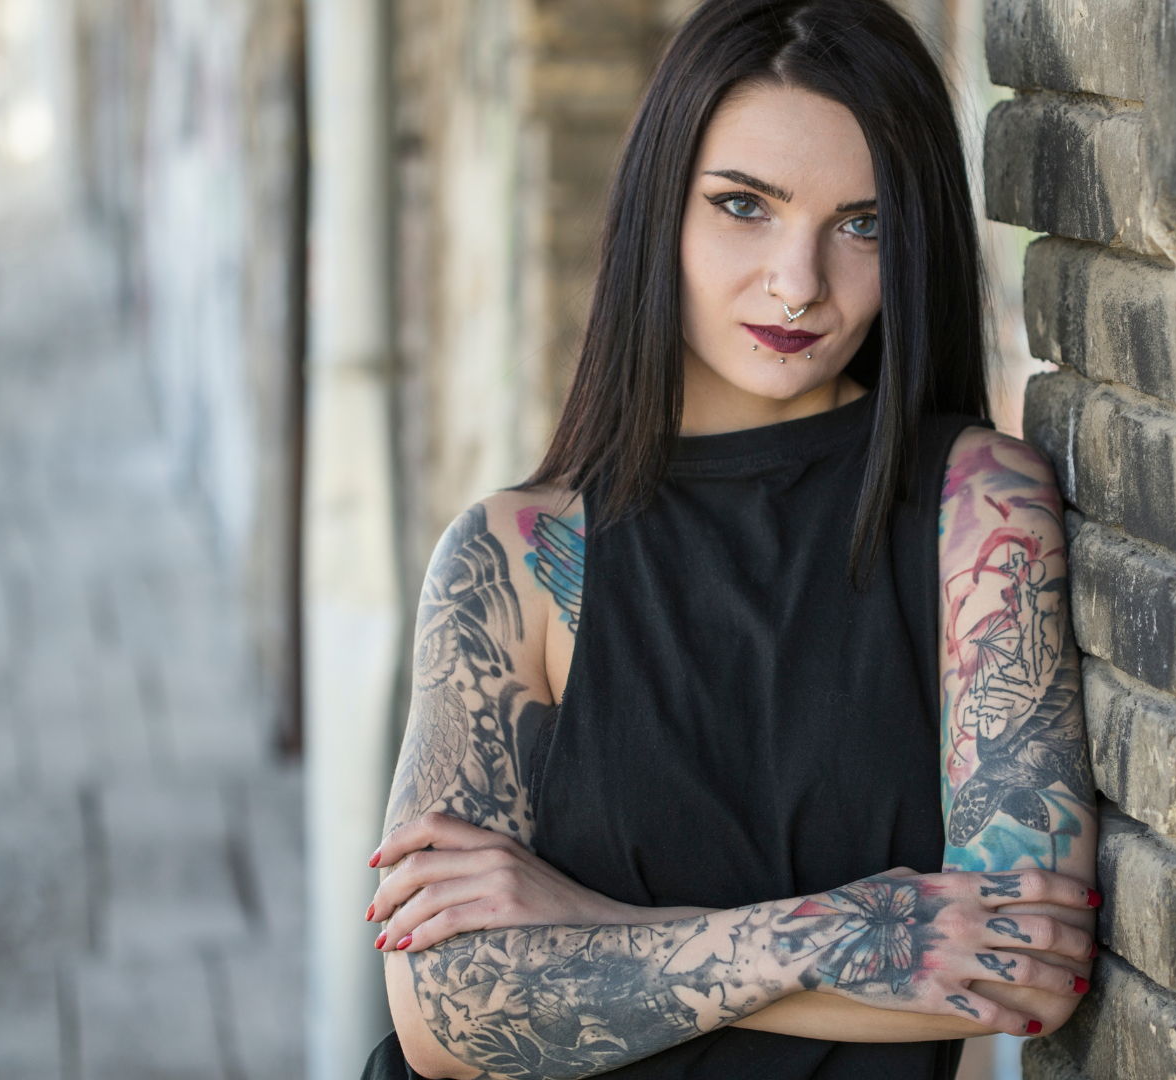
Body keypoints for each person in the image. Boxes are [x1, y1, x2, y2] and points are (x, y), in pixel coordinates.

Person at [358, 1, 1098, 1076]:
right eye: (745, 206)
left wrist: (580, 923)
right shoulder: (514, 560)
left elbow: (1024, 968)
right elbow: (449, 1014)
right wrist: (857, 933)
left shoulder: (978, 516)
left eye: (863, 224)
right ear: (661, 207)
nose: (798, 283)